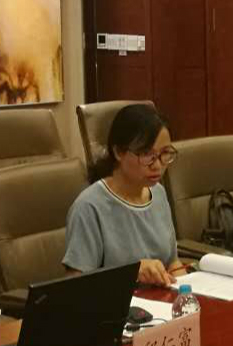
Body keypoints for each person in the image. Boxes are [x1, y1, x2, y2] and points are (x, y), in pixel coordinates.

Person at [63, 104, 185, 286]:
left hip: (160, 299)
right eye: (147, 154)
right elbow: (76, 285)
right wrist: (131, 272)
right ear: (118, 152)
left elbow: (173, 262)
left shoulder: (158, 193)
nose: (158, 165)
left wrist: (189, 291)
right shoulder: (89, 207)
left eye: (165, 154)